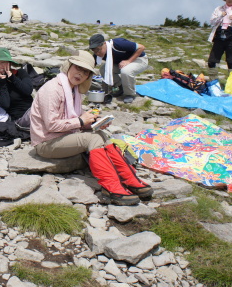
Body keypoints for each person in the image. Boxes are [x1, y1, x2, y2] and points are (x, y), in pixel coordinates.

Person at [30, 50, 152, 206]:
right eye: (78, 68)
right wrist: (81, 121)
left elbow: (75, 116)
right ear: (69, 66)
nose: (80, 74)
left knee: (100, 134)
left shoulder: (73, 89)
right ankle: (112, 188)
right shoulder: (52, 89)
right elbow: (51, 125)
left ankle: (129, 179)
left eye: (85, 72)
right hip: (46, 143)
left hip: (61, 136)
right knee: (93, 138)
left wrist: (94, 122)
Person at [89, 33, 148, 103]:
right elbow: (90, 67)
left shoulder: (118, 44)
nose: (97, 53)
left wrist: (128, 61)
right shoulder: (97, 54)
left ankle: (130, 94)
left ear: (104, 43)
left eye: (98, 50)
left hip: (138, 59)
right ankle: (121, 87)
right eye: (94, 51)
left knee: (126, 71)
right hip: (120, 62)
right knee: (103, 69)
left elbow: (141, 47)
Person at [0, 47, 34, 126]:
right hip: (19, 119)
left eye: (3, 62)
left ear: (9, 63)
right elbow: (5, 104)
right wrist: (2, 82)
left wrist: (12, 77)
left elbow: (28, 90)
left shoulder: (20, 73)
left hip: (32, 110)